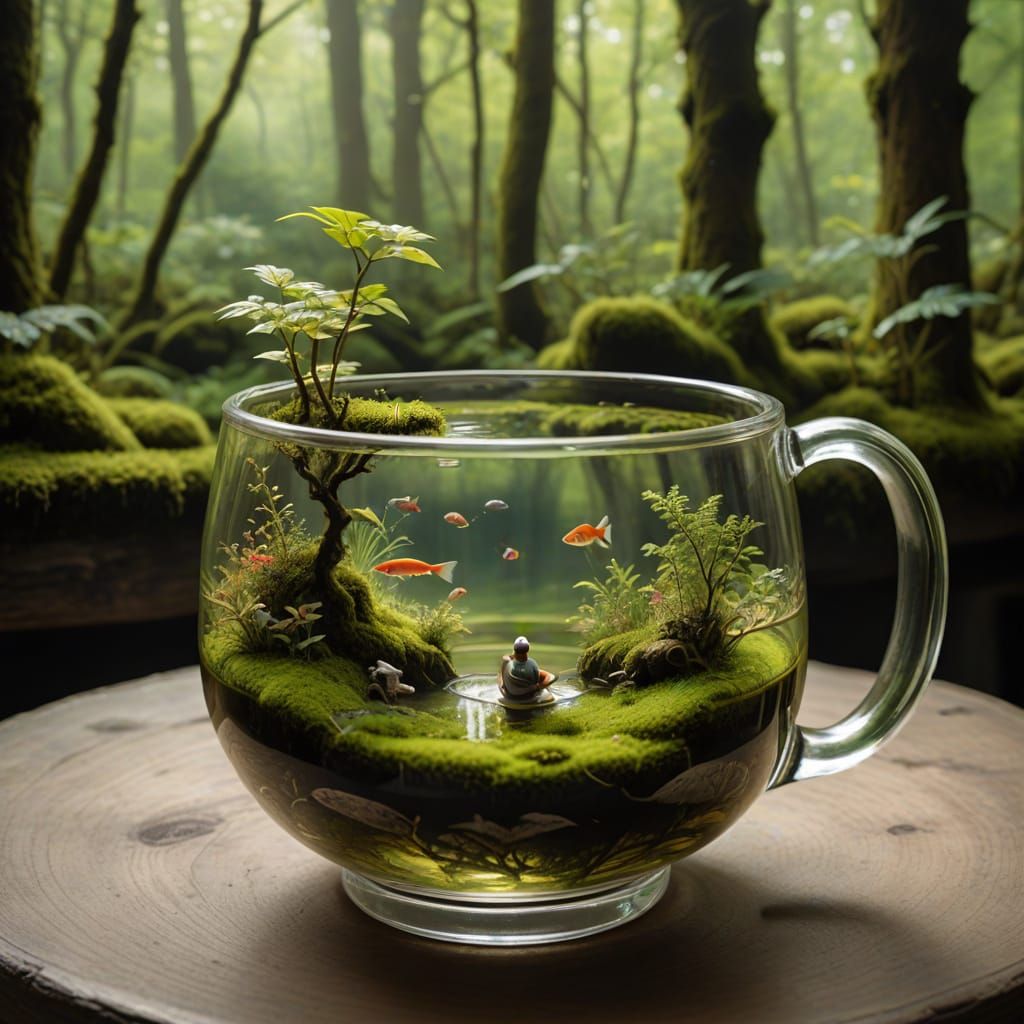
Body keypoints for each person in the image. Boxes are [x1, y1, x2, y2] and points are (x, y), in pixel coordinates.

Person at [499, 636, 551, 702]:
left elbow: (507, 658)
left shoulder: (507, 662)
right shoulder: (532, 664)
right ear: (528, 649)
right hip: (528, 695)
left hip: (511, 694)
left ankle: (504, 685)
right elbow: (536, 679)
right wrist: (538, 687)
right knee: (545, 676)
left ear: (515, 650)